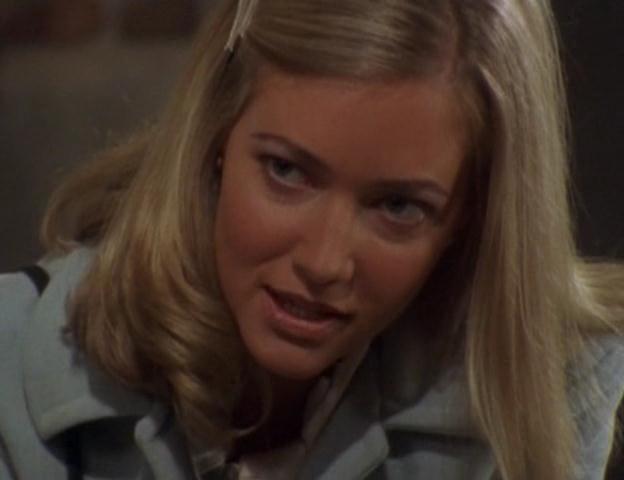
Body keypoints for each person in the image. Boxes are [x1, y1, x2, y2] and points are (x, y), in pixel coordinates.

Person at [1, 0, 623, 479]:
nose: (325, 262)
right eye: (287, 172)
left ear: (473, 216)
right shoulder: (13, 368)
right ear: (216, 135)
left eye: (399, 207)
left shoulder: (556, 390)